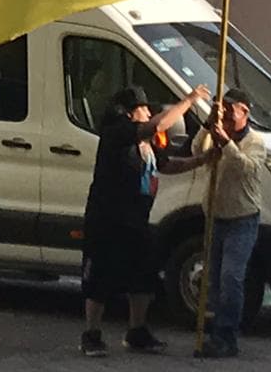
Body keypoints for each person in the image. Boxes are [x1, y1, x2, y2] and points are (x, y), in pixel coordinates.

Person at [80, 83, 214, 358]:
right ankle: (91, 334)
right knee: (100, 276)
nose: (148, 112)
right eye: (143, 109)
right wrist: (190, 99)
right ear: (130, 113)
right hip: (108, 219)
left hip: (137, 218)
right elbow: (158, 125)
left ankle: (137, 330)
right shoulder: (118, 132)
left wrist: (202, 160)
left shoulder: (146, 144)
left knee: (143, 274)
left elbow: (166, 165)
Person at [194, 88, 266, 359]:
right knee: (212, 279)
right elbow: (196, 150)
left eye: (231, 109)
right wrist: (208, 124)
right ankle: (214, 333)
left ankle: (228, 335)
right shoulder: (216, 134)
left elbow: (245, 167)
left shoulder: (255, 142)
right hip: (215, 217)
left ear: (245, 112)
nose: (226, 113)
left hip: (242, 219)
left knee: (231, 277)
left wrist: (226, 143)